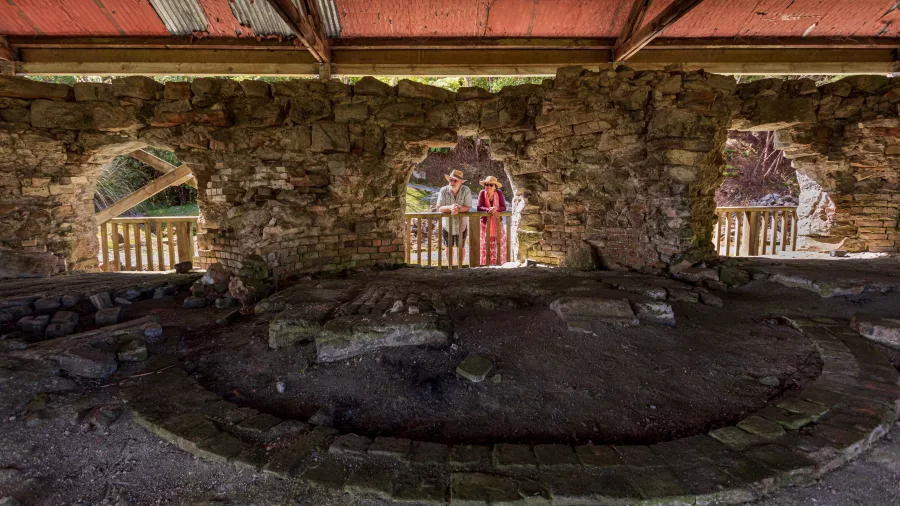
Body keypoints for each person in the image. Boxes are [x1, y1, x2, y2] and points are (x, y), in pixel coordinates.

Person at [435, 169, 472, 257]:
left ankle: (459, 268)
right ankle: (450, 267)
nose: (452, 182)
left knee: (461, 247)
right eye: (450, 180)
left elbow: (468, 207)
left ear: (461, 182)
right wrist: (450, 207)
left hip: (461, 224)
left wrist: (458, 209)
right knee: (448, 247)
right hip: (447, 225)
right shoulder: (443, 190)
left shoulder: (466, 190)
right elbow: (440, 207)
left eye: (455, 180)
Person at [476, 175, 508, 265]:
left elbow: (503, 207)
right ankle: (485, 264)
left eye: (491, 185)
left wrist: (496, 209)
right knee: (485, 245)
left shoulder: (499, 193)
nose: (488, 187)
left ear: (495, 187)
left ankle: (499, 263)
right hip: (485, 224)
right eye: (487, 184)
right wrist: (488, 209)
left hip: (497, 223)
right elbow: (479, 208)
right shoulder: (482, 193)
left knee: (499, 244)